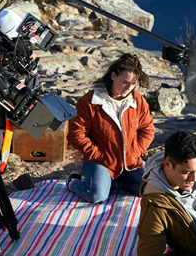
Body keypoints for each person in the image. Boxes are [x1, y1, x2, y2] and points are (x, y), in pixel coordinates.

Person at [66, 52, 155, 203]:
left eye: (133, 83)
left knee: (151, 190)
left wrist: (137, 150)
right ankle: (73, 183)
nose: (129, 87)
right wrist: (99, 155)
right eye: (125, 82)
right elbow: (76, 134)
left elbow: (148, 129)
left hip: (130, 161)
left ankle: (115, 182)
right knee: (96, 196)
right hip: (101, 161)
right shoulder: (89, 102)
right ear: (113, 76)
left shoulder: (138, 100)